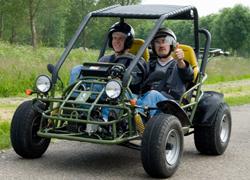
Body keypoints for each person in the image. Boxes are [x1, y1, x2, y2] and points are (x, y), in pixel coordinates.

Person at [136, 27, 194, 117]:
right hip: (147, 102)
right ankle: (107, 122)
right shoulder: (149, 65)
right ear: (153, 46)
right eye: (157, 42)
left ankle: (137, 123)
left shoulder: (179, 64)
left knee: (153, 94)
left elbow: (189, 76)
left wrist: (180, 61)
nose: (161, 45)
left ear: (172, 45)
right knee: (126, 95)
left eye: (164, 41)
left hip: (171, 106)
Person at [69, 21, 135, 84]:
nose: (117, 41)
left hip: (125, 92)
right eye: (114, 38)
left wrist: (122, 77)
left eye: (121, 38)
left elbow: (135, 81)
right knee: (77, 69)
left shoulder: (135, 62)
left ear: (128, 42)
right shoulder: (105, 60)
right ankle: (74, 94)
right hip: (104, 90)